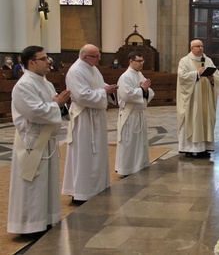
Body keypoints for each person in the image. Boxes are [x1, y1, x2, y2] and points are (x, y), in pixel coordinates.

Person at [7, 45, 71, 239]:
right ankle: (29, 225)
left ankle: (45, 219)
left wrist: (59, 104)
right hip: (32, 142)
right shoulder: (24, 85)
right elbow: (34, 112)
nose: (48, 62)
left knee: (46, 183)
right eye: (44, 59)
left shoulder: (45, 82)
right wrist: (57, 104)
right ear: (31, 63)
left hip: (46, 141)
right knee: (32, 184)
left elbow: (52, 104)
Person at [62, 44, 118, 204]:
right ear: (85, 56)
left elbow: (98, 86)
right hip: (84, 118)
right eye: (96, 56)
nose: (99, 58)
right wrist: (104, 92)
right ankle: (80, 192)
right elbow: (81, 96)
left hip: (96, 117)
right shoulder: (76, 71)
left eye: (99, 55)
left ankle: (96, 188)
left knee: (97, 153)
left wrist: (108, 90)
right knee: (83, 155)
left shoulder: (92, 68)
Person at [177, 39, 219, 158]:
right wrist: (197, 73)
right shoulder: (185, 61)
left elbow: (217, 76)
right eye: (197, 46)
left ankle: (204, 148)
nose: (200, 48)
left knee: (206, 121)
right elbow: (182, 77)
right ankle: (189, 148)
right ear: (191, 48)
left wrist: (212, 79)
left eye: (201, 46)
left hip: (206, 99)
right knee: (193, 120)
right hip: (193, 99)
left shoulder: (208, 60)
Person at [115, 51, 154, 176]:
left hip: (139, 114)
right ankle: (125, 168)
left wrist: (145, 90)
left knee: (139, 142)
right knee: (128, 142)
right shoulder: (125, 76)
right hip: (129, 114)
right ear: (131, 61)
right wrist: (142, 89)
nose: (141, 63)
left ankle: (138, 165)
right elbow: (126, 95)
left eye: (142, 61)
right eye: (139, 61)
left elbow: (150, 91)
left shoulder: (139, 75)